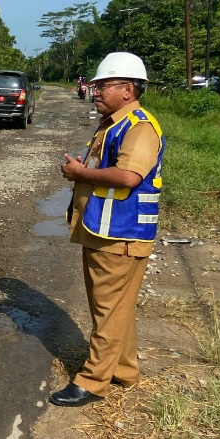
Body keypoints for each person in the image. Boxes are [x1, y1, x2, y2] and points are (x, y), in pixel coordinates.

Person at [52, 52, 165, 407]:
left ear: (127, 89)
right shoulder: (114, 121)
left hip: (120, 234)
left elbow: (129, 177)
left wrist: (79, 173)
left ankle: (92, 380)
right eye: (96, 85)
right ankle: (125, 370)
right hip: (106, 230)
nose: (95, 91)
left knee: (107, 310)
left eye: (103, 85)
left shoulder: (138, 127)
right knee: (118, 307)